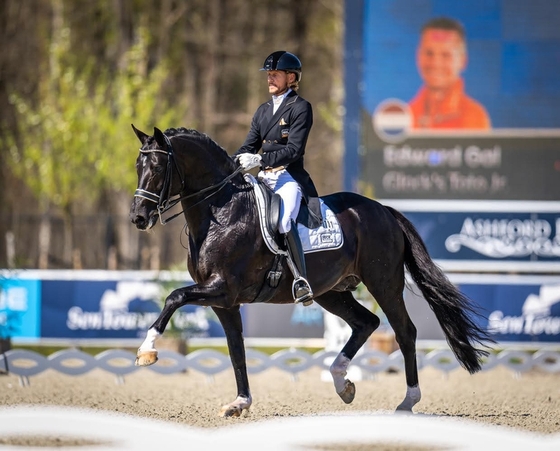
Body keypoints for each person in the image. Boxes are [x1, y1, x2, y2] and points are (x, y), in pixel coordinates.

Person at [234, 50, 317, 305]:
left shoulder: (301, 108)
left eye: (275, 75)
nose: (269, 79)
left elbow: (294, 150)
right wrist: (232, 163)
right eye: (268, 74)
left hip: (288, 177)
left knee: (282, 222)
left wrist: (260, 160)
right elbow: (248, 146)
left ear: (291, 77)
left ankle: (300, 279)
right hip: (264, 178)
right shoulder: (262, 111)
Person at [409, 17, 491, 130]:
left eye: (446, 55)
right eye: (429, 53)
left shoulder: (474, 117)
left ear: (463, 61)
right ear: (418, 56)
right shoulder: (408, 115)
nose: (435, 63)